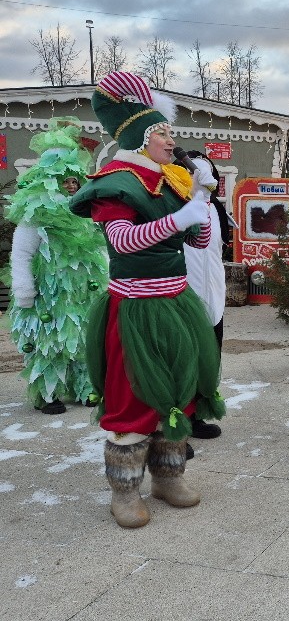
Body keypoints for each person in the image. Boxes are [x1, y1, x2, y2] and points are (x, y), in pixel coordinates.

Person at [70, 71, 225, 528]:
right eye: (162, 133)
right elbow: (122, 241)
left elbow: (196, 243)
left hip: (176, 301)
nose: (171, 141)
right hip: (136, 309)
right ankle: (124, 490)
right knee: (133, 395)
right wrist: (179, 220)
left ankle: (168, 477)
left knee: (178, 389)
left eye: (169, 133)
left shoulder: (171, 180)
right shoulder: (117, 181)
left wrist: (201, 205)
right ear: (139, 136)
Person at [5, 118, 109, 414]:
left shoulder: (86, 214)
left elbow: (100, 249)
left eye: (74, 181)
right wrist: (24, 289)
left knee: (86, 340)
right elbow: (21, 255)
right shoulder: (35, 216)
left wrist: (108, 279)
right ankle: (48, 393)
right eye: (64, 181)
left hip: (84, 293)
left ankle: (85, 388)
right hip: (49, 296)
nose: (71, 186)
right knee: (50, 342)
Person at [179, 150, 229, 444]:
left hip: (214, 291)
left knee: (210, 353)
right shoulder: (176, 206)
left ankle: (198, 412)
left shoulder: (215, 208)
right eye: (195, 173)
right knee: (184, 356)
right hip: (184, 292)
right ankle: (179, 417)